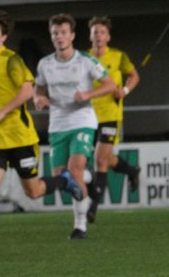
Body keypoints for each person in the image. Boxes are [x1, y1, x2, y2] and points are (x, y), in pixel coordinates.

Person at [0, 9, 85, 259]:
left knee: (34, 191)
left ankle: (64, 180)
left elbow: (27, 91)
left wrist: (1, 112)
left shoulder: (11, 60)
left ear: (3, 36)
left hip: (20, 138)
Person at [34, 13, 116, 239]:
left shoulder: (85, 61)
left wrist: (88, 94)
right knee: (62, 177)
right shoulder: (45, 64)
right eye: (55, 33)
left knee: (74, 171)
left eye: (63, 33)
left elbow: (110, 85)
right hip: (57, 125)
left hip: (82, 120)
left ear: (72, 35)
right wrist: (38, 99)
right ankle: (89, 178)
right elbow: (38, 88)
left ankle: (80, 226)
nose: (59, 37)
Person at [85, 16, 141, 223]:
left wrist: (124, 90)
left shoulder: (118, 56)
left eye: (102, 32)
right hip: (87, 116)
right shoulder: (84, 58)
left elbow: (134, 76)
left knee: (100, 160)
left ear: (108, 37)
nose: (98, 36)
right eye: (95, 32)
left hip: (110, 115)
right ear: (90, 36)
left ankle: (93, 208)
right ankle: (131, 170)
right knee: (105, 159)